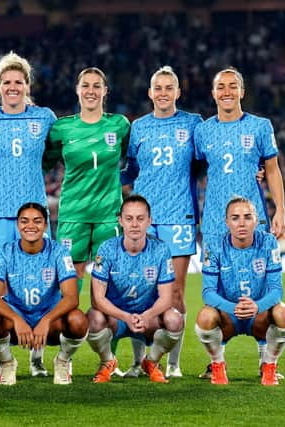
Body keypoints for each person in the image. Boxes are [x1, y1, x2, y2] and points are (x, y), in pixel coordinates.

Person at [194, 67, 285, 378]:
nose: (227, 91)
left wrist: (280, 210)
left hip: (253, 216)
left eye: (233, 86)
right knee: (217, 289)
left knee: (260, 285)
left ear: (242, 92)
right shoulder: (203, 131)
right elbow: (191, 170)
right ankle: (216, 360)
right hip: (216, 220)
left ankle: (265, 358)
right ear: (213, 93)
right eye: (221, 87)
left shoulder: (261, 126)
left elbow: (272, 169)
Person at [0, 52, 56, 376]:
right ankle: (0, 357)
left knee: (36, 285)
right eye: (6, 82)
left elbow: (62, 148)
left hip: (33, 215)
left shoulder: (45, 118)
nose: (12, 87)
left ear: (27, 85)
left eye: (18, 82)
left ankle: (36, 358)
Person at [120, 66, 202, 378]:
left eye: (170, 87)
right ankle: (137, 362)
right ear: (150, 93)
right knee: (140, 291)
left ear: (178, 93)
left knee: (176, 293)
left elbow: (208, 160)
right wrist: (103, 179)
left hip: (179, 216)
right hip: (144, 218)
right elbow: (130, 172)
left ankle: (173, 363)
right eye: (159, 88)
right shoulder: (138, 127)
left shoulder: (193, 124)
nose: (164, 93)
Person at [44, 67, 130, 293]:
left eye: (96, 86)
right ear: (77, 90)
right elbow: (43, 163)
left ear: (105, 91)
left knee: (108, 276)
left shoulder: (119, 125)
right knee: (72, 276)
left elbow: (135, 159)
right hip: (74, 212)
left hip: (108, 214)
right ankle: (70, 326)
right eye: (85, 85)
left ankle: (102, 326)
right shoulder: (61, 128)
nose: (90, 91)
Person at [0, 202, 88, 385]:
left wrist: (46, 320)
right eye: (24, 221)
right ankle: (7, 362)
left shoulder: (59, 252)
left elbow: (72, 297)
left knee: (78, 320)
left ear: (45, 225)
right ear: (17, 224)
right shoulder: (5, 252)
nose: (30, 226)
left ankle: (62, 361)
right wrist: (16, 319)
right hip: (17, 321)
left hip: (50, 322)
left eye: (37, 221)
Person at [195, 197, 285, 386]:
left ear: (256, 220)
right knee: (205, 316)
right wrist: (233, 308)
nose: (241, 223)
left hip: (259, 316)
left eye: (247, 217)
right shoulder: (214, 246)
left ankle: (269, 365)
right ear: (226, 222)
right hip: (228, 317)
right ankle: (217, 365)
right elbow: (207, 293)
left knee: (283, 313)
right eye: (235, 217)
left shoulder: (268, 243)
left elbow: (276, 290)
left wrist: (257, 306)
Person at [86, 194, 183, 384]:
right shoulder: (106, 249)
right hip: (117, 319)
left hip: (149, 318)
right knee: (93, 318)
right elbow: (97, 298)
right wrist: (126, 317)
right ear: (120, 221)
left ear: (149, 221)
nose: (135, 224)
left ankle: (151, 362)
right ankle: (107, 361)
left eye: (140, 219)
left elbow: (166, 299)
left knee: (174, 319)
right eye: (129, 219)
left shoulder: (161, 250)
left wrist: (146, 316)